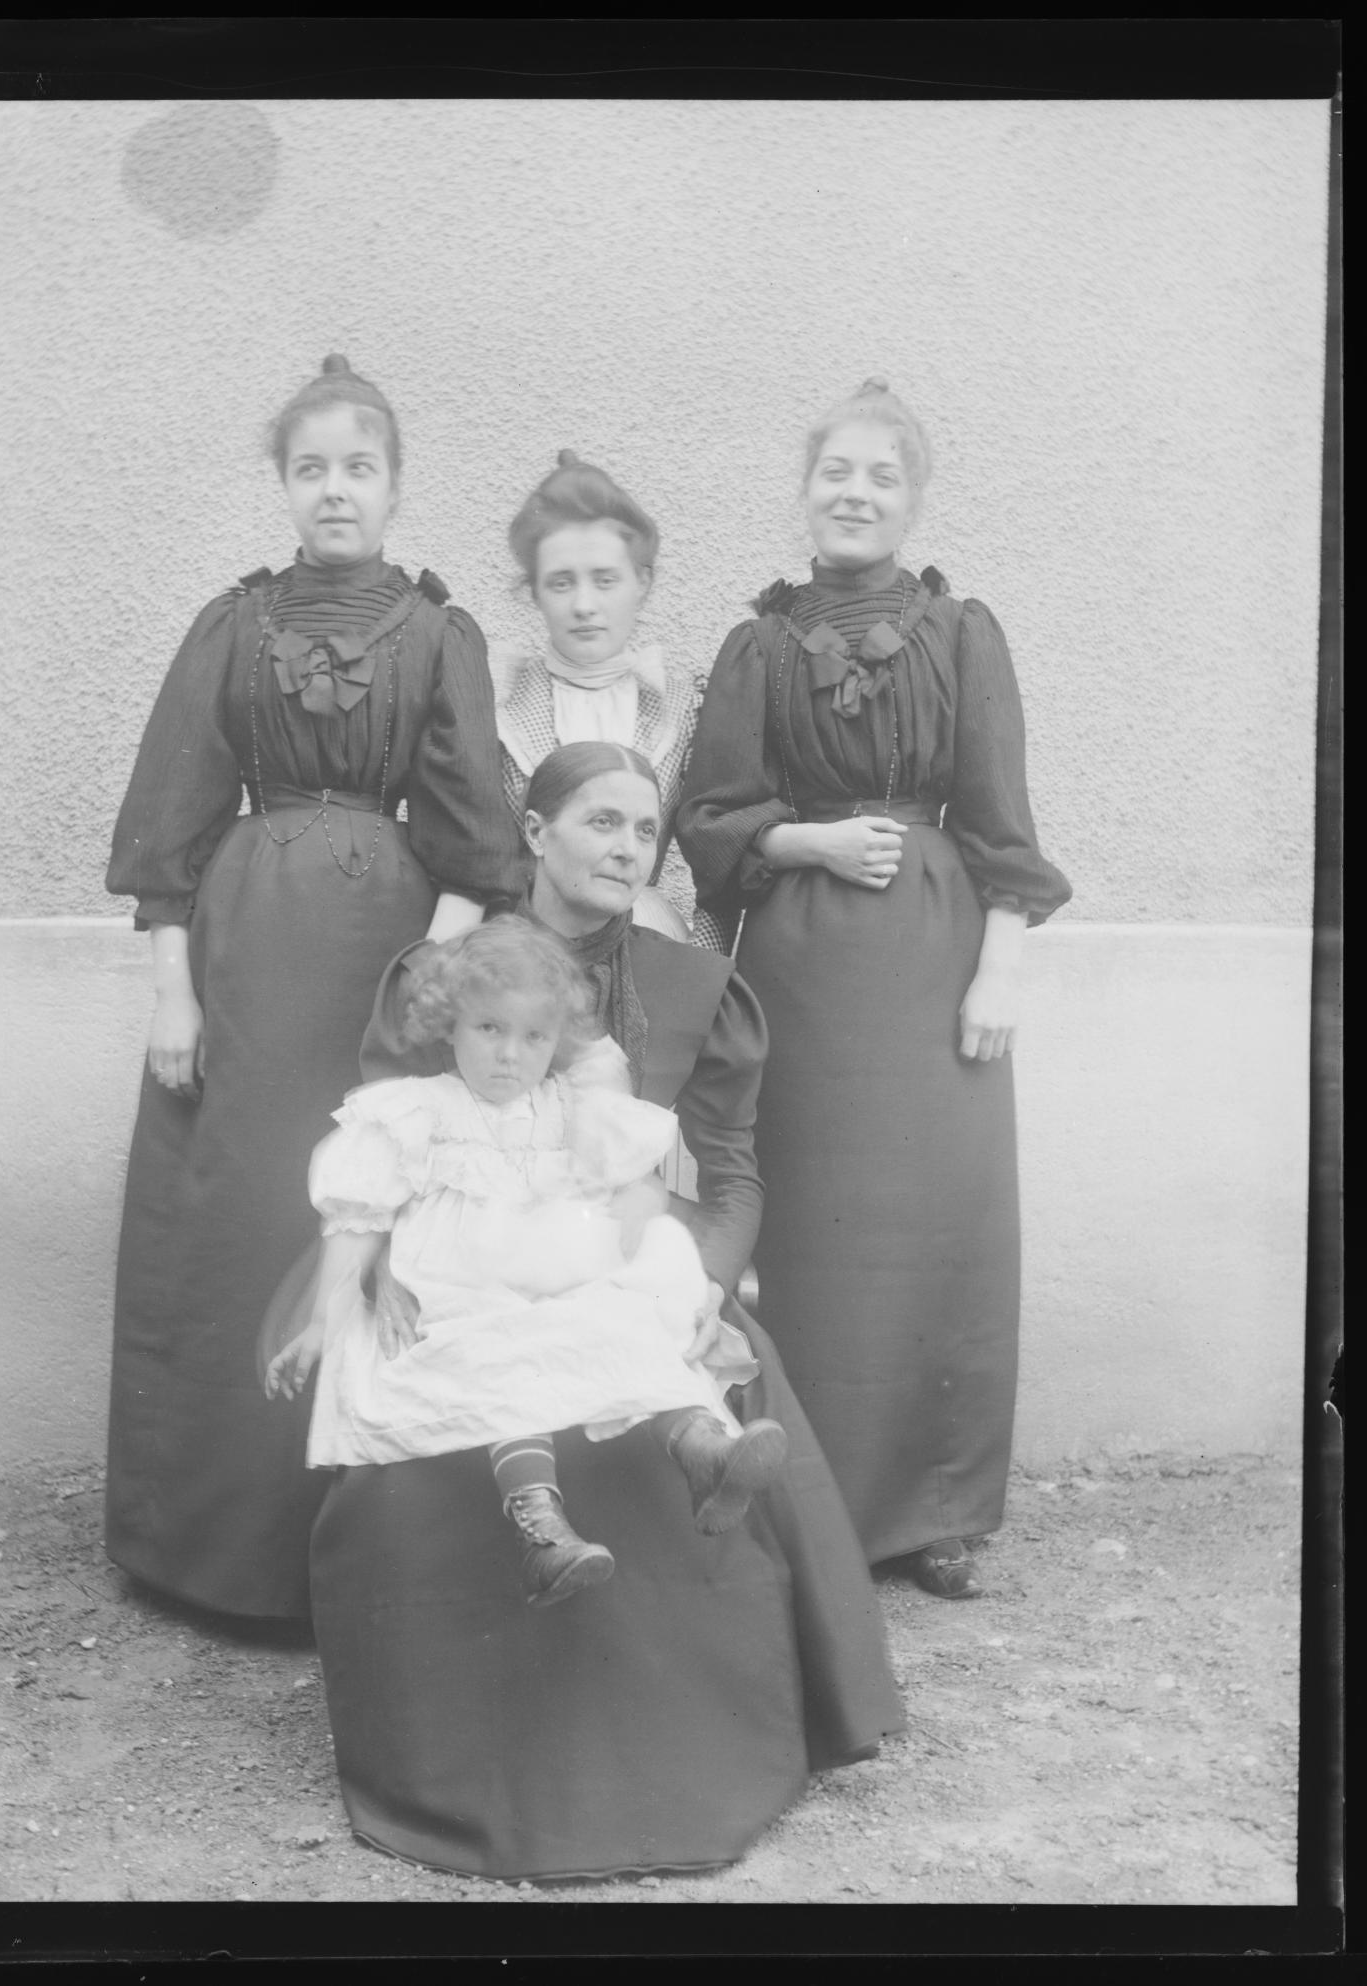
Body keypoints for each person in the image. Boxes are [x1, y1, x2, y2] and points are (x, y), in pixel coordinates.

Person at [304, 741, 904, 1882]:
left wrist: (703, 1283)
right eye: (601, 823)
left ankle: (700, 1732)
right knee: (430, 1387)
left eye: (645, 832)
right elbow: (383, 1156)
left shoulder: (694, 987)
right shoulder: (440, 979)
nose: (628, 848)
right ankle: (472, 1747)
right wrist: (377, 1286)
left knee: (686, 1361)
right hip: (459, 1279)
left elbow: (727, 1172)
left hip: (624, 1271)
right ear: (535, 834)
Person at [104, 355, 524, 1620]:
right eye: (312, 469)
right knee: (238, 1213)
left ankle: (361, 1551)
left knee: (369, 1206)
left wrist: (431, 974)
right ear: (283, 486)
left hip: (384, 956)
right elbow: (169, 827)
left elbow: (471, 828)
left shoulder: (441, 633)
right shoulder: (231, 625)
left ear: (394, 486)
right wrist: (173, 995)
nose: (335, 490)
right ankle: (213, 1549)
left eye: (359, 468)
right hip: (243, 950)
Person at [677, 378, 1072, 1602]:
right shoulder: (757, 645)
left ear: (914, 500)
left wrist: (998, 967)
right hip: (800, 963)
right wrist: (811, 843)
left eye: (881, 476)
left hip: (935, 959)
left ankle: (940, 1512)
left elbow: (1003, 823)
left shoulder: (963, 636)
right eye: (835, 473)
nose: (855, 493)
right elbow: (709, 815)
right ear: (804, 491)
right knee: (813, 1231)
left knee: (938, 1229)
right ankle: (814, 1497)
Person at [263, 918, 787, 1608]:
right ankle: (543, 1534)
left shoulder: (572, 1109)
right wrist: (322, 1319)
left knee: (625, 1321)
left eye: (534, 1037)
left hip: (555, 1271)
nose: (510, 1055)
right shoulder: (417, 1111)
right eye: (489, 1030)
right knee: (499, 1356)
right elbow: (357, 1221)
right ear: (450, 1025)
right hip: (457, 1289)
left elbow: (631, 1183)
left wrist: (632, 1211)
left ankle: (705, 1452)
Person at [489, 450, 727, 947]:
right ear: (534, 592)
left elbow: (715, 865)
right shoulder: (500, 704)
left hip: (646, 941)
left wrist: (704, 975)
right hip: (525, 945)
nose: (583, 606)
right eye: (560, 582)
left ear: (642, 582)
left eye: (604, 580)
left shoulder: (680, 707)